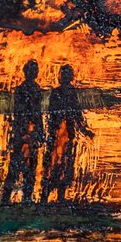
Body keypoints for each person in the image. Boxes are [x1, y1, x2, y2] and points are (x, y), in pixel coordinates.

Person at [40, 63, 93, 204]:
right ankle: (47, 196)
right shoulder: (58, 93)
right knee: (55, 164)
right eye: (63, 74)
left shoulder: (68, 92)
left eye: (67, 74)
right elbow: (56, 114)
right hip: (58, 133)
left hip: (65, 134)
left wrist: (83, 129)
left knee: (63, 163)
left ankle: (57, 196)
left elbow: (76, 113)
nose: (65, 77)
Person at [1, 60, 43, 204]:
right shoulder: (24, 90)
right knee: (18, 167)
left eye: (35, 70)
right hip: (24, 132)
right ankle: (9, 198)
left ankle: (22, 198)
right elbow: (22, 113)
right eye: (32, 70)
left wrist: (39, 131)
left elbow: (37, 113)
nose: (34, 73)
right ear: (26, 72)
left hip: (28, 132)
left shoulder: (34, 89)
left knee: (27, 167)